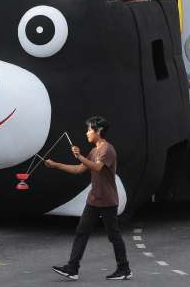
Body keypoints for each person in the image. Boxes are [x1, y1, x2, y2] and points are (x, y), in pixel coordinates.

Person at [46, 116, 131, 281]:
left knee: (113, 235)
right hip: (93, 200)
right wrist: (56, 165)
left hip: (107, 200)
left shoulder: (107, 150)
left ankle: (124, 269)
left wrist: (79, 156)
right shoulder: (93, 151)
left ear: (98, 131)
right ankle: (72, 268)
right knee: (81, 232)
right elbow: (79, 169)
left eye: (89, 130)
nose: (87, 133)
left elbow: (97, 168)